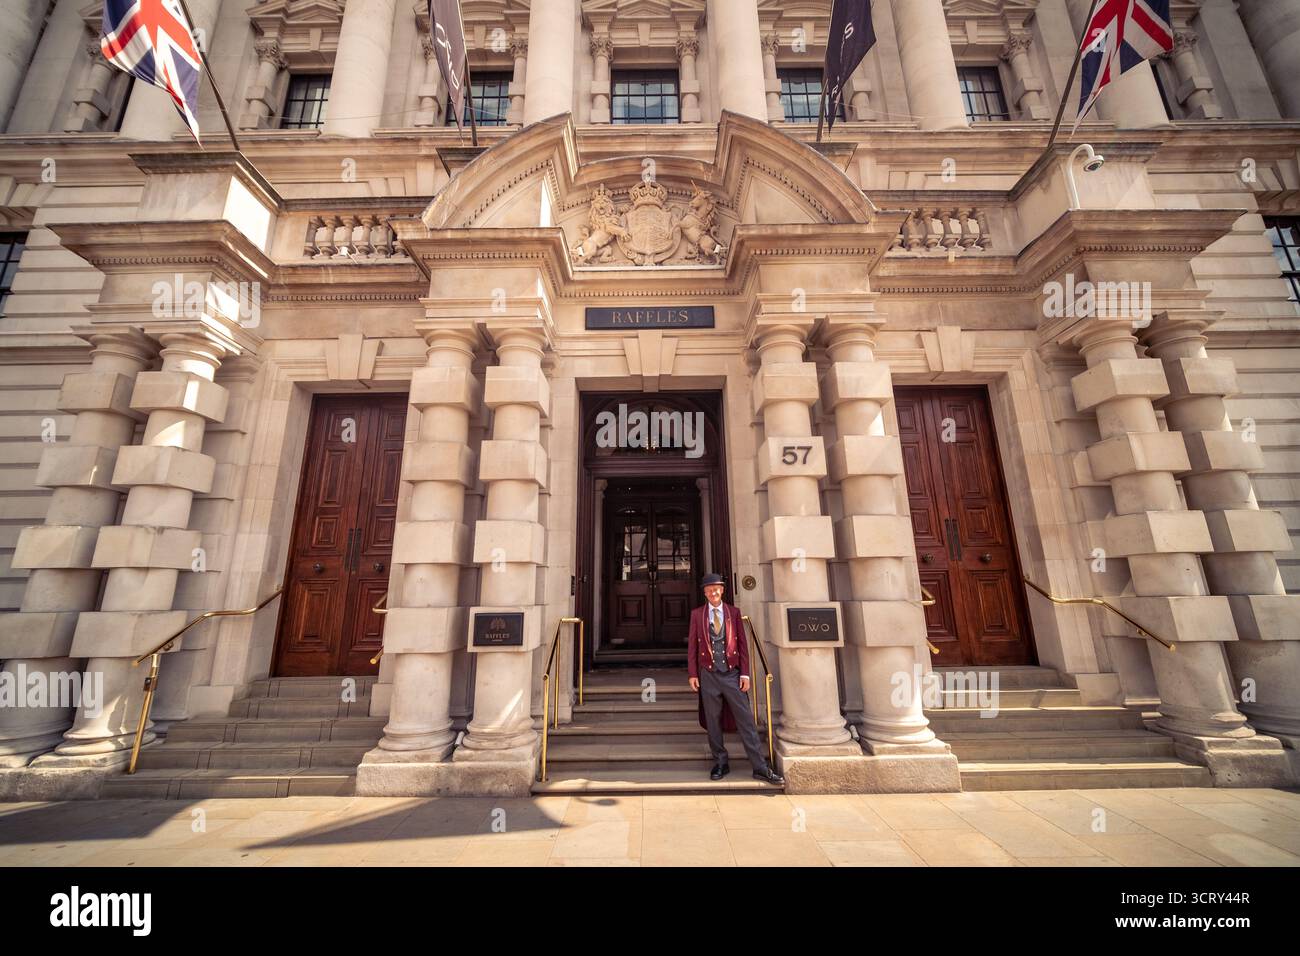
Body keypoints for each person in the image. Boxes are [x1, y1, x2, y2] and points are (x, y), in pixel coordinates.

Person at [688, 573, 784, 784]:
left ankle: (759, 767)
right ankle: (720, 762)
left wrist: (745, 673)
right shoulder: (697, 615)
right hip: (708, 675)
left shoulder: (734, 612)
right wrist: (693, 674)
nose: (713, 592)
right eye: (709, 589)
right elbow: (693, 648)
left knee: (746, 721)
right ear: (704, 592)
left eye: (717, 588)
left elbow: (742, 647)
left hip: (732, 674)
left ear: (722, 590)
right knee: (713, 722)